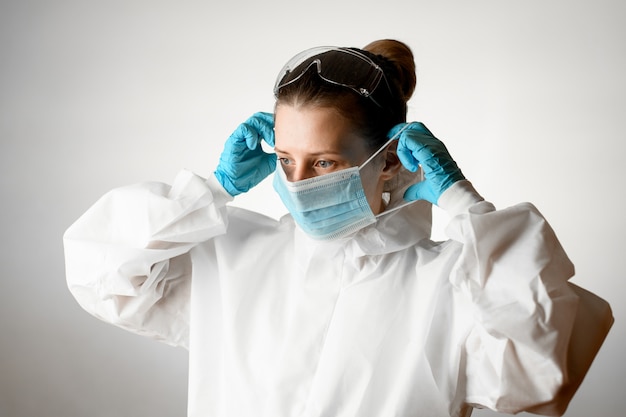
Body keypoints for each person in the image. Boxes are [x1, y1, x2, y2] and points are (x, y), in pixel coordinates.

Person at [64, 40, 589, 417]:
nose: (296, 182)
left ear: (388, 161)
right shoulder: (232, 256)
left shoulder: (453, 283)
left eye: (323, 163)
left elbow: (540, 378)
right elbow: (101, 275)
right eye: (286, 158)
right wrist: (214, 189)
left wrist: (463, 202)